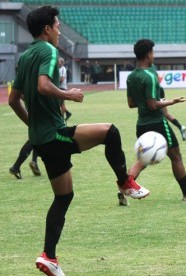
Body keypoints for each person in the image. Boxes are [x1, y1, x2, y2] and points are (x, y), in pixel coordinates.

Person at [8, 6, 149, 276]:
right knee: (110, 132)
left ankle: (49, 257)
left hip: (41, 139)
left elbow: (14, 100)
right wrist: (68, 94)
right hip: (54, 134)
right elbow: (42, 86)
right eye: (57, 26)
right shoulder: (48, 51)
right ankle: (124, 182)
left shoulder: (24, 57)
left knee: (64, 196)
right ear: (47, 29)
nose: (60, 30)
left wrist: (33, 126)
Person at [125, 38, 186, 202]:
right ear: (148, 54)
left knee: (142, 159)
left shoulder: (131, 77)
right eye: (153, 52)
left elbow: (131, 103)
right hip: (157, 123)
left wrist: (146, 102)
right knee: (176, 157)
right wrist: (172, 101)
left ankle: (124, 188)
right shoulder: (150, 76)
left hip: (141, 124)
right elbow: (153, 105)